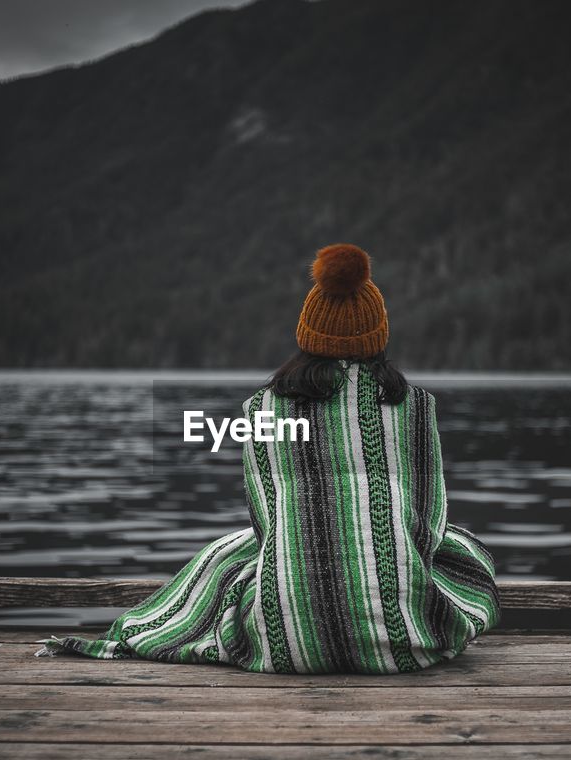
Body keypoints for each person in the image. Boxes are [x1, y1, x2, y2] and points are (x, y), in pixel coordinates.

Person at [36, 243, 500, 673]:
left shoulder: (264, 409)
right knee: (463, 547)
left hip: (288, 646)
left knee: (227, 553)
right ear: (379, 335)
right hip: (407, 647)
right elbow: (427, 521)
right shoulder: (415, 406)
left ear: (306, 334)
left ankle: (288, 624)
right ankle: (389, 619)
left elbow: (268, 523)